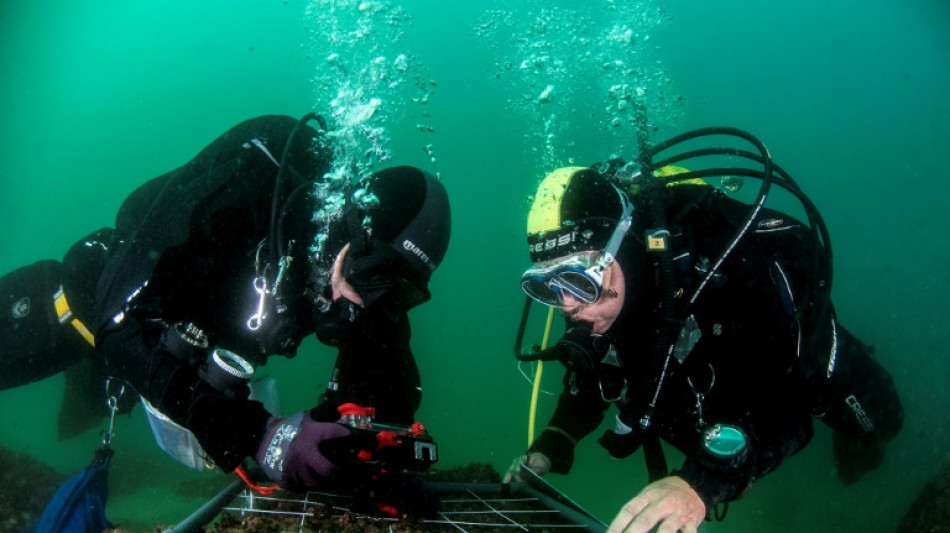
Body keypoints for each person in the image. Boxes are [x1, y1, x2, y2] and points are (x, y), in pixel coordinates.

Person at [0, 114, 451, 493]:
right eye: (372, 275)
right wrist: (259, 434)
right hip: (67, 310)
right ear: (348, 231)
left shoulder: (364, 286)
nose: (370, 303)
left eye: (399, 292)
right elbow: (120, 324)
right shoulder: (246, 186)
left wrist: (372, 456)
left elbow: (385, 391)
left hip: (147, 369)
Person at [504, 142, 902, 533]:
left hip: (792, 362)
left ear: (621, 247)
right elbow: (594, 384)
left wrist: (700, 484)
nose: (568, 305)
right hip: (706, 412)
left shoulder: (728, 276)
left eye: (578, 277)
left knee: (884, 422)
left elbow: (790, 408)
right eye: (548, 285)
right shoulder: (592, 304)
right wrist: (551, 446)